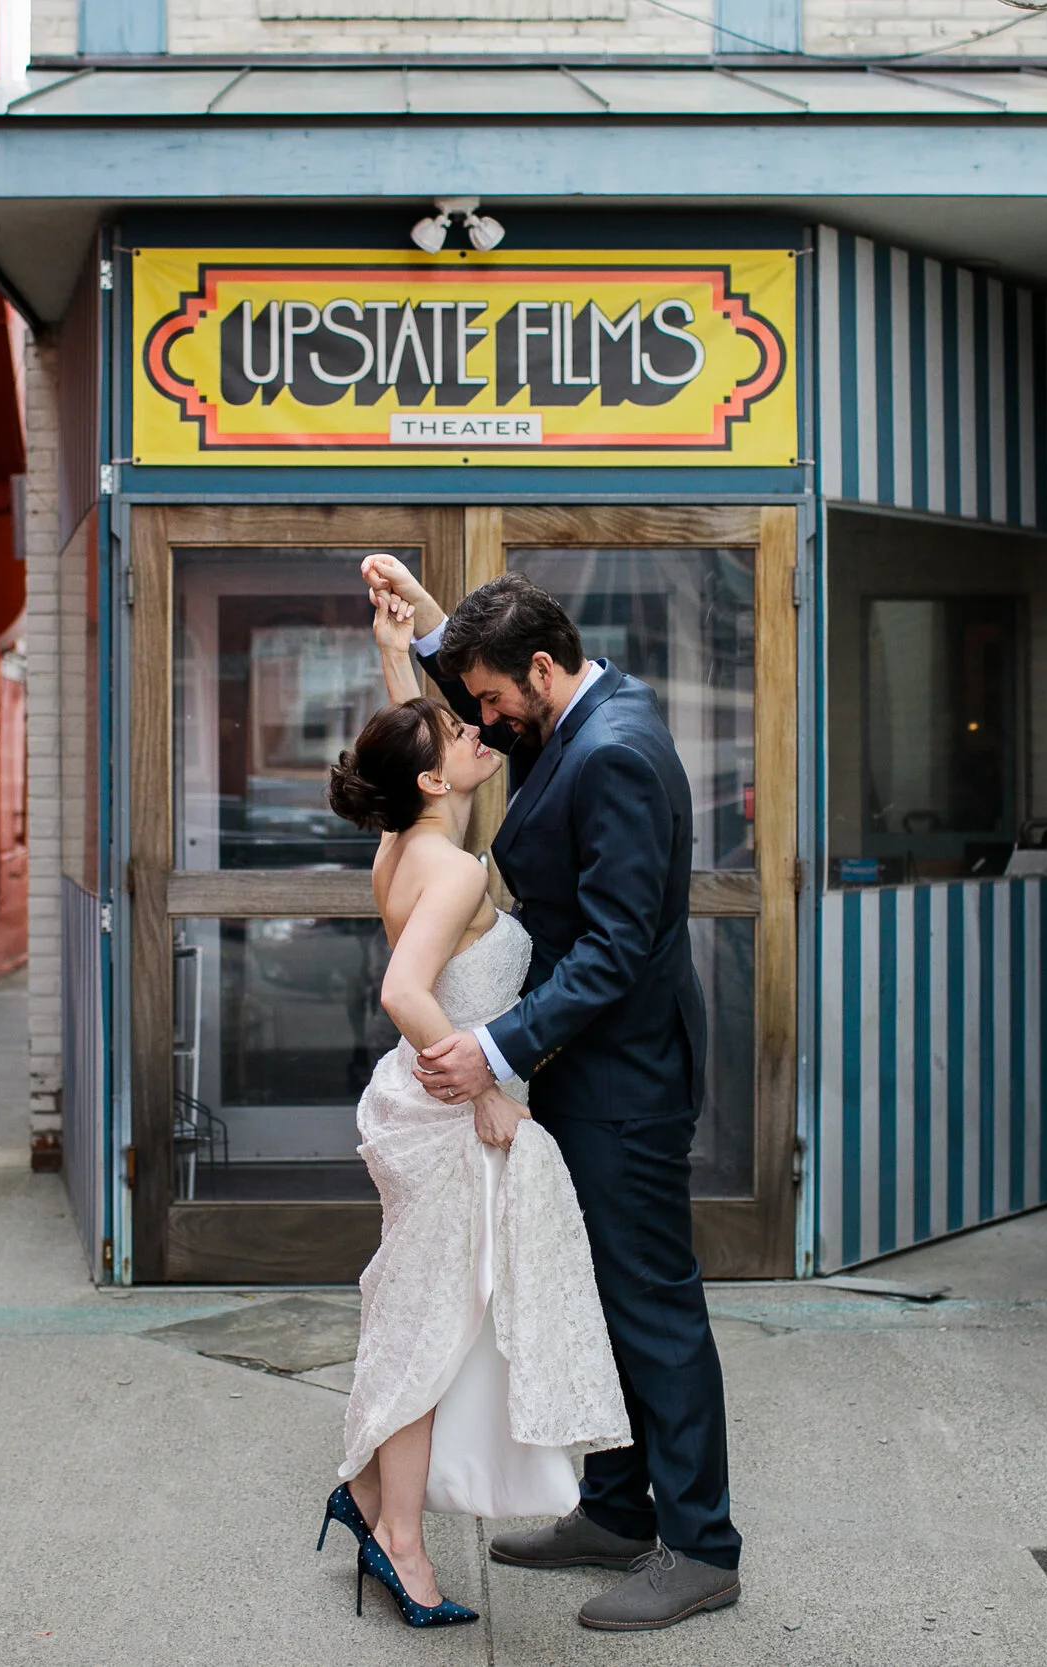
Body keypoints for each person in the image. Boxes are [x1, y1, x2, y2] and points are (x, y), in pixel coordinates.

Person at [357, 554, 746, 1632]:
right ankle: (618, 1509)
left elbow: (618, 947)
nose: (483, 722)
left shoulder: (617, 749)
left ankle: (703, 1544)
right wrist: (423, 630)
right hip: (572, 1069)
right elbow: (449, 743)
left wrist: (492, 1048)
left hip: (623, 1077)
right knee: (593, 1293)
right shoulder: (567, 714)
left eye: (489, 700)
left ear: (538, 668)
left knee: (651, 1304)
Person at [319, 585, 630, 1630]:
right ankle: (398, 1540)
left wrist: (397, 653)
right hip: (451, 1115)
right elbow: (403, 994)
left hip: (427, 1104)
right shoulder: (447, 867)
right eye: (459, 729)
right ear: (429, 773)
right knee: (428, 1335)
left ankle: (368, 1502)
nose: (478, 727)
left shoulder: (403, 840)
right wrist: (489, 1083)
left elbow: (408, 751)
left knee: (432, 1324)